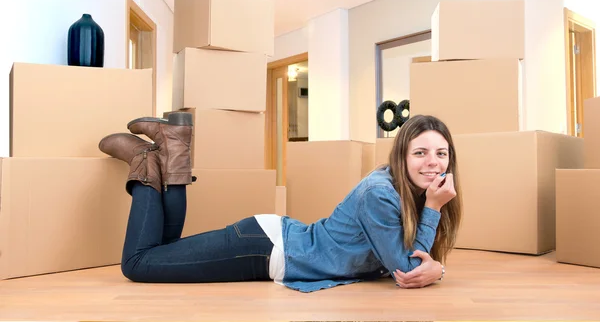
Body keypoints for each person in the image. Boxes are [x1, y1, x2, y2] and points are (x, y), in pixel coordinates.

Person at [99, 113, 462, 293]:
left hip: (271, 243)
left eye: (441, 153)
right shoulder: (381, 194)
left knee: (162, 251)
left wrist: (437, 267)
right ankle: (146, 161)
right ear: (402, 155)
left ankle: (173, 144)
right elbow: (407, 268)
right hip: (264, 248)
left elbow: (416, 257)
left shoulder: (407, 191)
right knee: (138, 263)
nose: (433, 162)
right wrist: (433, 210)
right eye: (421, 152)